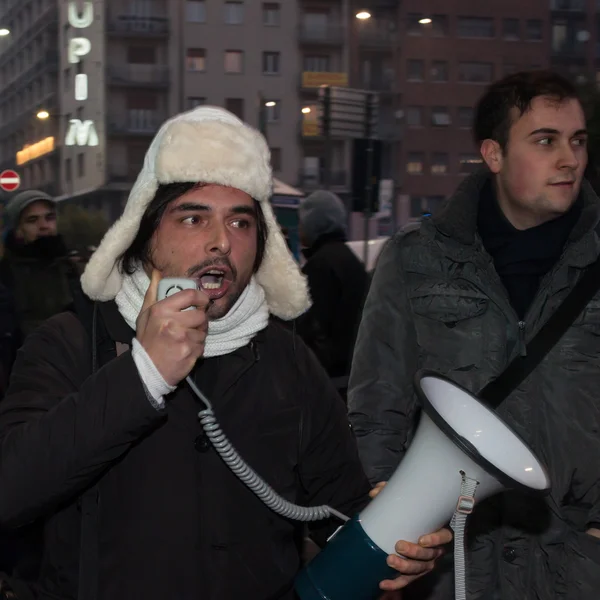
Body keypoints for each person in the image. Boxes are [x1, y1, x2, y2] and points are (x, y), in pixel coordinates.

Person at [0, 106, 451, 600]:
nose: (221, 242)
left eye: (240, 223)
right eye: (193, 218)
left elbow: (336, 509)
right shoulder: (67, 343)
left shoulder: (287, 359)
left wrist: (392, 542)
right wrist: (142, 375)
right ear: (145, 231)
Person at [348, 70, 600, 600]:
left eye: (578, 140)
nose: (570, 159)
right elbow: (376, 408)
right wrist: (396, 518)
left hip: (577, 569)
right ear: (493, 153)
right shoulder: (416, 259)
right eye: (545, 140)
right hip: (451, 567)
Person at [295, 190, 369, 399]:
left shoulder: (321, 266)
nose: (299, 229)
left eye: (302, 222)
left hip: (327, 382)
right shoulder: (350, 260)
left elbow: (311, 327)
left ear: (314, 223)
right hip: (350, 377)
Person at [0, 190, 80, 341]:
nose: (43, 226)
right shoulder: (6, 274)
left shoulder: (72, 269)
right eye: (32, 220)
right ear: (18, 230)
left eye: (49, 218)